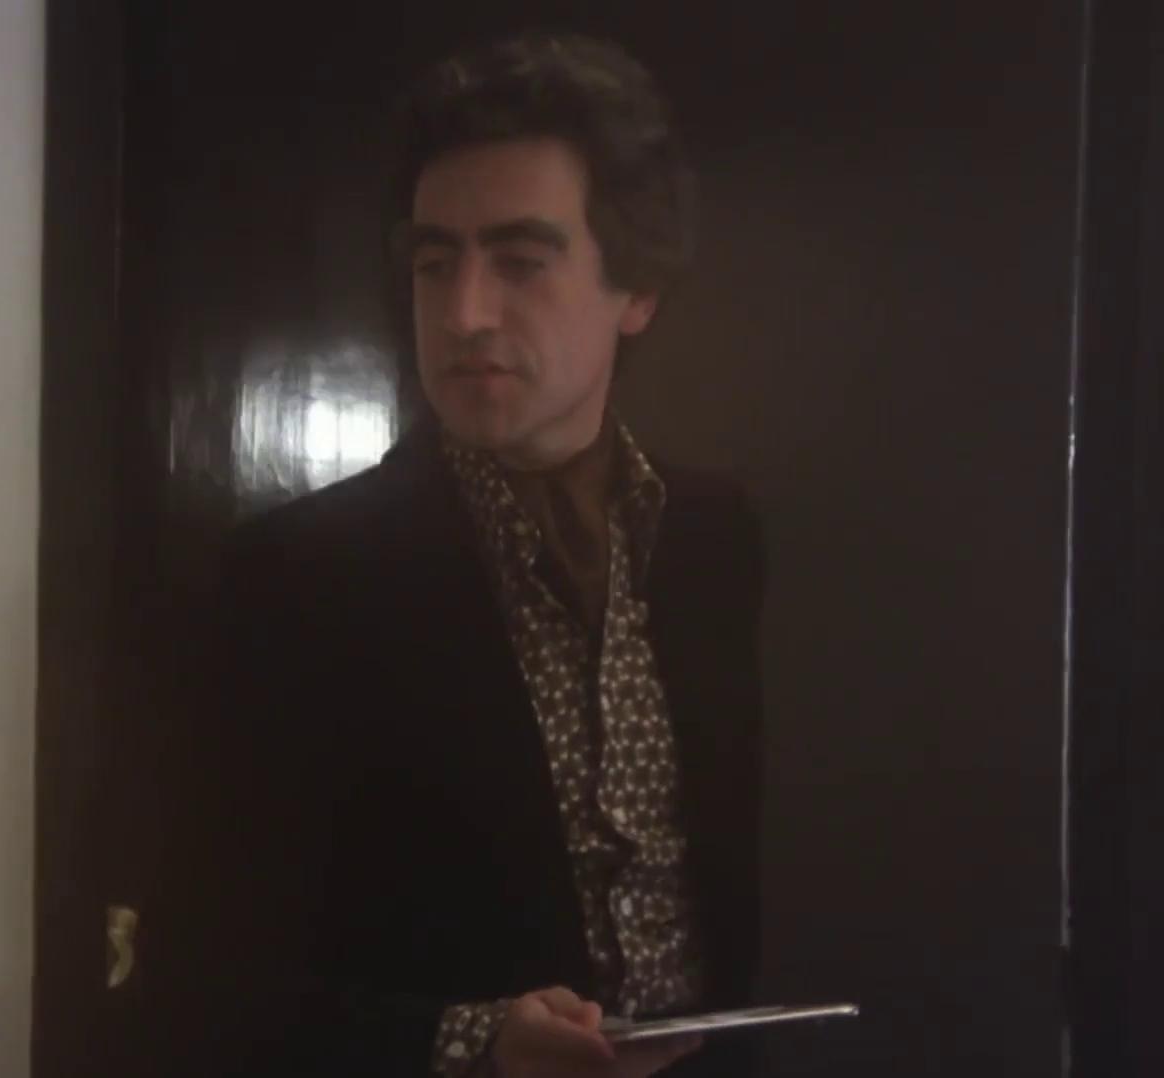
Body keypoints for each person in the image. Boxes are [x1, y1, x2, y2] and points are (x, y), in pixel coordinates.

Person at [163, 31, 765, 1078]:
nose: (464, 313)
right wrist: (475, 1044)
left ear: (636, 290)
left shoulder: (712, 536)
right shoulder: (300, 578)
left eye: (521, 262)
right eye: (435, 263)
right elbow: (204, 981)